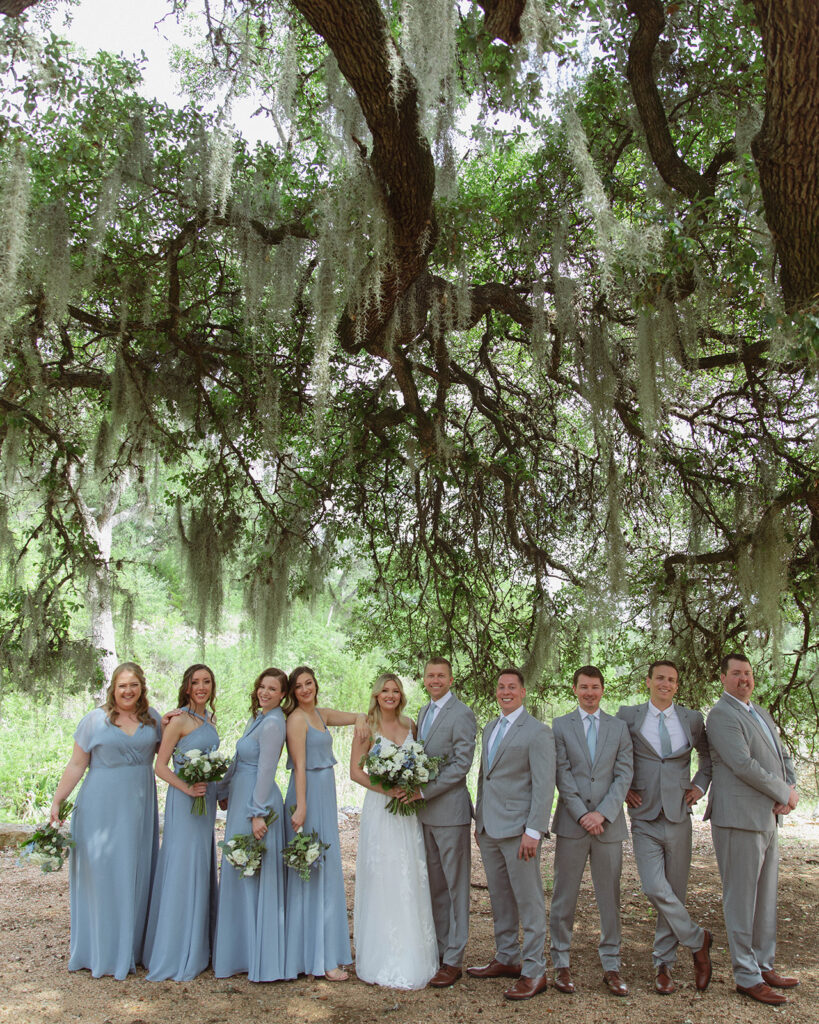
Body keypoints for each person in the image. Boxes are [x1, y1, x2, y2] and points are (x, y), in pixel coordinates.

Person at [49, 661, 162, 979]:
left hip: (138, 808)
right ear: (113, 687)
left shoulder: (154, 719)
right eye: (122, 685)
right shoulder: (94, 720)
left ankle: (132, 949)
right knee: (101, 876)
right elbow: (76, 764)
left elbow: (171, 754)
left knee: (134, 872)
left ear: (142, 687)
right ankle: (98, 951)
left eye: (134, 685)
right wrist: (58, 800)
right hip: (99, 807)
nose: (128, 691)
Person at [704, 653, 799, 1006]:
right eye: (736, 673)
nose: (743, 678)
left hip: (768, 817)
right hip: (738, 818)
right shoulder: (721, 715)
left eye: (747, 673)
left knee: (765, 898)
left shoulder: (760, 712)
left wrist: (790, 790)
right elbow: (743, 764)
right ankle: (745, 975)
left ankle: (763, 964)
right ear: (723, 678)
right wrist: (783, 792)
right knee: (742, 899)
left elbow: (782, 756)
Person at [616, 660, 713, 994]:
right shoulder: (628, 716)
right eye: (660, 678)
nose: (665, 684)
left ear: (676, 685)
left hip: (678, 814)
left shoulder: (692, 719)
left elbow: (707, 757)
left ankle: (664, 965)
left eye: (671, 680)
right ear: (648, 681)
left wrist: (700, 785)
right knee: (654, 888)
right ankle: (698, 940)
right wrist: (622, 787)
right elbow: (614, 754)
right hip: (643, 814)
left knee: (675, 891)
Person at [467, 668, 555, 1000]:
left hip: (520, 831)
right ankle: (507, 957)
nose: (505, 692)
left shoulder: (538, 732)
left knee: (529, 900)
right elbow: (484, 777)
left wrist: (534, 830)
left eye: (512, 687)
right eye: (501, 686)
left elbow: (544, 785)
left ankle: (534, 971)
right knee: (500, 897)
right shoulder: (490, 727)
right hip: (489, 828)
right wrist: (479, 821)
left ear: (523, 692)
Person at [350, 673, 438, 989]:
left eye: (395, 690)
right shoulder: (367, 727)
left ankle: (414, 954)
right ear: (376, 695)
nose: (390, 695)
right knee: (384, 875)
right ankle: (381, 956)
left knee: (409, 874)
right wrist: (388, 789)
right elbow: (355, 772)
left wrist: (410, 784)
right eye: (385, 690)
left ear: (401, 695)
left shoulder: (411, 725)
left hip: (407, 812)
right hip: (381, 809)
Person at [549, 665, 633, 996]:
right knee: (563, 895)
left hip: (608, 826)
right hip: (573, 824)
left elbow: (624, 774)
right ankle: (561, 962)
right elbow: (562, 772)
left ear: (602, 690)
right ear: (574, 689)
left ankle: (612, 965)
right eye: (583, 687)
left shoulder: (619, 727)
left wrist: (603, 813)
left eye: (595, 687)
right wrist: (583, 814)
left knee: (609, 897)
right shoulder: (560, 726)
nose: (589, 692)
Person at [282, 665, 368, 981]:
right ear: (293, 692)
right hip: (307, 795)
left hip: (325, 793)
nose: (305, 689)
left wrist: (362, 719)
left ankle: (326, 950)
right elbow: (299, 766)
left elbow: (356, 716)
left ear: (316, 685)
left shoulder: (320, 714)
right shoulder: (296, 719)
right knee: (311, 868)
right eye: (299, 686)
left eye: (309, 683)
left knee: (326, 867)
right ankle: (316, 958)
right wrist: (302, 807)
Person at [212, 667, 291, 981]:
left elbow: (267, 769)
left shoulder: (274, 723)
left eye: (272, 689)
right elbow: (239, 759)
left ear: (283, 695)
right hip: (240, 798)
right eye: (262, 686)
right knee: (238, 868)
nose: (265, 692)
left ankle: (258, 956)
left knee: (251, 869)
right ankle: (238, 951)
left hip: (257, 802)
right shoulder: (258, 717)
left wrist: (257, 812)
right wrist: (222, 790)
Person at [144, 663, 220, 981]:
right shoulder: (178, 720)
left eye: (207, 682)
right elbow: (160, 766)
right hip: (184, 800)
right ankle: (175, 949)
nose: (201, 687)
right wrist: (187, 787)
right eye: (195, 682)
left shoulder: (210, 720)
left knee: (200, 864)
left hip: (206, 801)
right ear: (187, 687)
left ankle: (200, 944)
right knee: (182, 866)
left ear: (212, 687)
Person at [413, 657, 477, 987]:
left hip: (450, 813)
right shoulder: (424, 711)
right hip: (423, 815)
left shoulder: (462, 714)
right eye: (430, 675)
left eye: (441, 676)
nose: (435, 680)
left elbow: (461, 764)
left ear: (451, 680)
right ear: (424, 679)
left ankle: (454, 959)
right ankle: (438, 950)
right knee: (435, 886)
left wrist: (425, 791)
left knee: (455, 888)